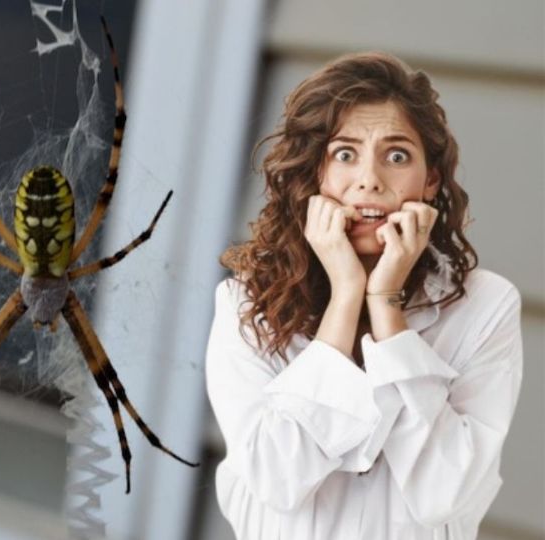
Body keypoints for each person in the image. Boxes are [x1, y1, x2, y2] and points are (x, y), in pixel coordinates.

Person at [205, 52, 523, 540]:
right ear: (315, 173)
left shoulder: (485, 306)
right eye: (344, 154)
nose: (369, 180)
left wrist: (387, 304)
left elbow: (446, 491)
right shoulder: (244, 303)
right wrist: (347, 295)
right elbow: (276, 478)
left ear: (431, 179)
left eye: (397, 156)